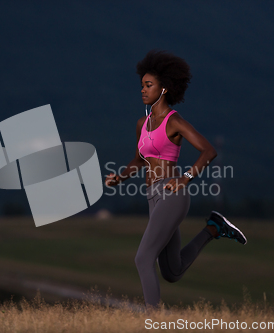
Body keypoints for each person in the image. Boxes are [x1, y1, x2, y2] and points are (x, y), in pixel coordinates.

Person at [104, 50, 247, 311]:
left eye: (149, 85)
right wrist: (119, 178)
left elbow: (208, 151)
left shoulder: (174, 122)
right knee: (172, 271)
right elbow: (138, 160)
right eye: (142, 86)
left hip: (172, 194)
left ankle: (153, 322)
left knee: (143, 258)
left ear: (164, 89)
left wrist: (185, 178)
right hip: (153, 198)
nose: (143, 90)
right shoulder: (141, 124)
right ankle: (214, 228)